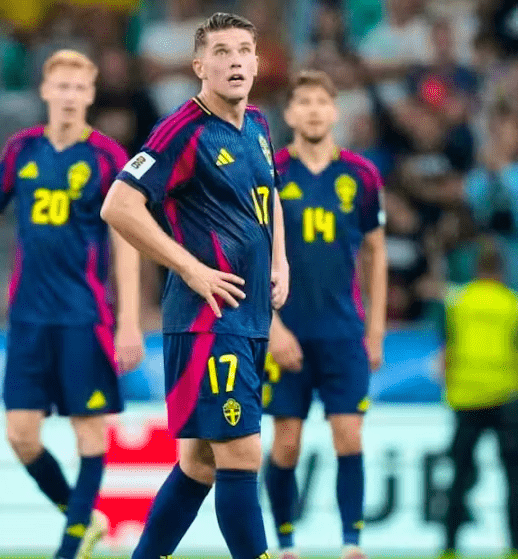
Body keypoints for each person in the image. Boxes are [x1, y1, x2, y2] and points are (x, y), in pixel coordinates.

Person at [0, 49, 144, 559]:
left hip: (84, 314)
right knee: (20, 434)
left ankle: (69, 546)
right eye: (60, 86)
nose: (68, 96)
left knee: (90, 429)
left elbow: (127, 240)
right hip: (28, 316)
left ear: (90, 95)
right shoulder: (21, 150)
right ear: (44, 91)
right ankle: (82, 518)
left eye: (79, 88)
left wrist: (129, 319)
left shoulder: (107, 157)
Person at [102, 12, 288, 559]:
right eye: (222, 51)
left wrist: (280, 259)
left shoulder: (257, 123)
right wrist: (189, 267)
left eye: (243, 50)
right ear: (199, 66)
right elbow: (119, 204)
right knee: (241, 454)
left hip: (249, 314)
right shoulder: (181, 129)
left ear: (257, 62)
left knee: (199, 463)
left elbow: (269, 193)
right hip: (209, 319)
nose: (234, 61)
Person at [261, 70, 387, 559]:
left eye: (321, 102)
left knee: (348, 435)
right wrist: (272, 327)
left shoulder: (361, 175)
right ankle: (286, 545)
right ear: (289, 114)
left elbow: (375, 254)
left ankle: (351, 545)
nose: (313, 110)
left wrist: (374, 331)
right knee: (286, 443)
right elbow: (251, 255)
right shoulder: (271, 171)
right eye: (303, 102)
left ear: (335, 112)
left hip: (342, 331)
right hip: (287, 332)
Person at [440, 238, 518, 558]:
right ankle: (513, 547)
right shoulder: (511, 303)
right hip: (505, 397)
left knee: (459, 477)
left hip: (465, 397)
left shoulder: (459, 301)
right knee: (513, 479)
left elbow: (447, 349)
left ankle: (449, 547)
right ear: (501, 269)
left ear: (475, 268)